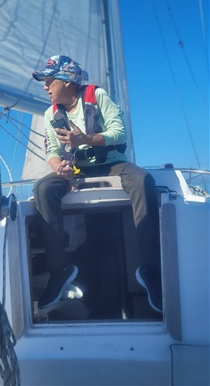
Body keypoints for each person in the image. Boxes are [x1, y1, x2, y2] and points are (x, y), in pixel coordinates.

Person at [32, 55, 162, 312]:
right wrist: (60, 168)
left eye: (49, 81)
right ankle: (59, 270)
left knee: (143, 181)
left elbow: (119, 132)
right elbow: (53, 150)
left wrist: (86, 138)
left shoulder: (97, 96)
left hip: (112, 163)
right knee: (43, 189)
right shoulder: (50, 114)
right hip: (78, 169)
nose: (45, 87)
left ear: (67, 82)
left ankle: (150, 270)